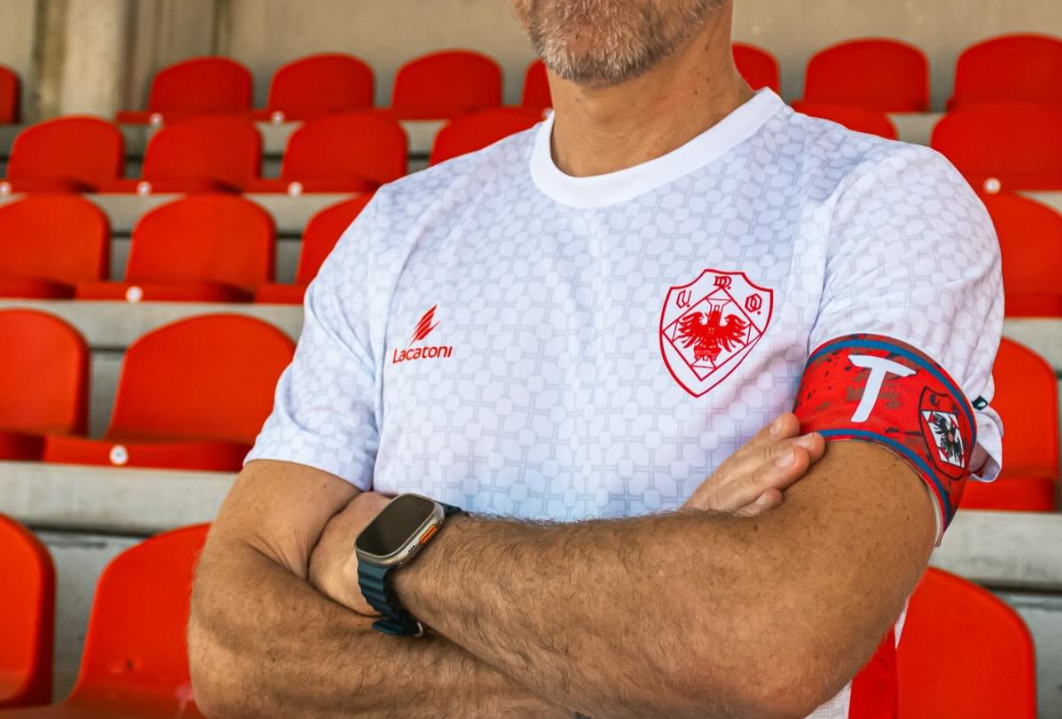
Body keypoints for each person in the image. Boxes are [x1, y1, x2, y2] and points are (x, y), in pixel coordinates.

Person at [188, 0, 1004, 717]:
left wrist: (396, 550)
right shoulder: (395, 233)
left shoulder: (885, 205)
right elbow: (232, 655)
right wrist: (655, 652)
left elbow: (776, 638)